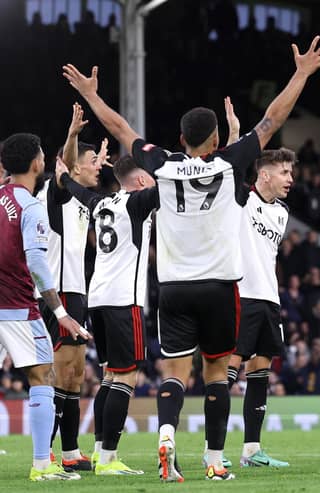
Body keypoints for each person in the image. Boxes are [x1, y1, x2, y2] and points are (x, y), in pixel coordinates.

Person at [63, 34, 320, 481]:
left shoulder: (163, 166)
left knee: (174, 372)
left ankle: (166, 434)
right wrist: (301, 73)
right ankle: (212, 460)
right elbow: (271, 120)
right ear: (213, 141)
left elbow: (122, 131)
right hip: (220, 287)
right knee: (215, 374)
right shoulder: (228, 164)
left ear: (181, 138)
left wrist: (91, 95)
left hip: (173, 288)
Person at [54, 106, 157, 475]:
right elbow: (167, 184)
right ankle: (110, 456)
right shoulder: (139, 201)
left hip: (96, 299)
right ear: (142, 182)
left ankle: (99, 452)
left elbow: (76, 189)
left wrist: (65, 178)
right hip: (122, 301)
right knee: (126, 377)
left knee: (112, 376)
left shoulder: (102, 204)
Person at [0, 132, 89, 481]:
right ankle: (41, 465)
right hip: (19, 309)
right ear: (37, 163)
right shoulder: (30, 206)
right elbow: (37, 263)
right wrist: (61, 313)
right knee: (42, 377)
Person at [36, 107, 102, 471]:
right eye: (92, 162)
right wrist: (73, 135)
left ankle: (71, 451)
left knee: (75, 374)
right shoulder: (55, 192)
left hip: (75, 290)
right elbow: (64, 164)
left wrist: (88, 161)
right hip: (56, 294)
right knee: (59, 371)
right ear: (73, 168)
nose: (98, 167)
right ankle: (43, 451)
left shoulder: (80, 199)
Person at [224, 148, 295, 468]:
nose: (290, 179)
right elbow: (230, 167)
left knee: (261, 372)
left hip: (270, 299)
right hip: (242, 296)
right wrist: (236, 134)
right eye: (284, 173)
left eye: (291, 173)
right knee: (227, 371)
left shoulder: (282, 212)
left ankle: (252, 451)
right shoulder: (241, 199)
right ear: (264, 174)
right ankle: (213, 449)